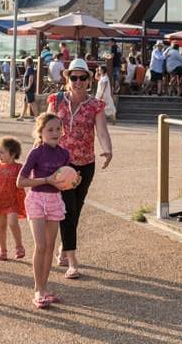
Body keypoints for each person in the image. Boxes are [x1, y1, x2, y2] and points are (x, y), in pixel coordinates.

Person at [45, 59, 112, 280]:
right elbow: (43, 127)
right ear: (67, 79)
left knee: (76, 208)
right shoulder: (55, 101)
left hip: (85, 164)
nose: (78, 81)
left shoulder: (95, 105)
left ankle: (65, 246)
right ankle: (72, 261)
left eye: (83, 77)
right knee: (67, 209)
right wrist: (39, 150)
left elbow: (101, 130)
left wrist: (108, 149)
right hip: (61, 164)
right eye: (74, 77)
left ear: (89, 79)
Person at [17, 113, 71, 309]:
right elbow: (20, 181)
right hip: (37, 199)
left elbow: (64, 179)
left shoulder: (64, 154)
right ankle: (38, 290)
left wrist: (73, 180)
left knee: (50, 246)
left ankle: (45, 288)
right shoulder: (36, 153)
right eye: (50, 129)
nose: (55, 132)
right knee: (40, 246)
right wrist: (46, 180)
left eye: (58, 129)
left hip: (55, 200)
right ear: (41, 133)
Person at [0, 137, 28, 262]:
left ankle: (19, 246)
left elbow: (27, 178)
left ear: (12, 154)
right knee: (1, 226)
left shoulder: (20, 167)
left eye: (2, 152)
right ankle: (2, 250)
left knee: (13, 222)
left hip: (13, 201)